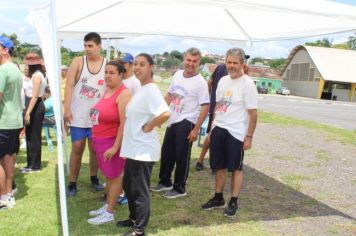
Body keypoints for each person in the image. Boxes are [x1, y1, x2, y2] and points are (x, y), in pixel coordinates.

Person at [116, 53, 170, 236]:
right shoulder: (142, 88)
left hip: (143, 150)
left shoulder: (152, 90)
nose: (138, 67)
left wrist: (149, 126)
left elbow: (164, 113)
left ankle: (139, 230)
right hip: (133, 149)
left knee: (139, 190)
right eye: (136, 64)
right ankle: (133, 218)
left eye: (142, 64)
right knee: (129, 186)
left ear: (151, 67)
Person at [201, 48, 258, 219]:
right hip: (220, 129)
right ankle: (218, 197)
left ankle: (233, 201)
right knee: (219, 165)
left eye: (235, 62)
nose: (231, 66)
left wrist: (249, 137)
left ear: (242, 64)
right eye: (229, 62)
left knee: (236, 168)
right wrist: (212, 129)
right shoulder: (223, 81)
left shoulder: (248, 84)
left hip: (236, 133)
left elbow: (253, 114)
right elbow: (218, 107)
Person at [151, 47, 210, 198]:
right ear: (184, 59)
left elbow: (205, 107)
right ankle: (165, 182)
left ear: (199, 62)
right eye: (188, 60)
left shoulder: (200, 82)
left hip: (187, 121)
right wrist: (159, 115)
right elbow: (170, 95)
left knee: (181, 156)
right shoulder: (177, 74)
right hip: (173, 119)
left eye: (194, 61)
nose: (191, 64)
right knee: (167, 153)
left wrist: (196, 129)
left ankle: (179, 188)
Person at [87, 60, 131, 225]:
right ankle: (107, 205)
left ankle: (110, 212)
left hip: (112, 141)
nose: (107, 76)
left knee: (115, 176)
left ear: (121, 75)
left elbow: (123, 123)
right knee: (108, 175)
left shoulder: (124, 94)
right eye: (106, 72)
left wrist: (115, 147)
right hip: (100, 140)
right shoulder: (106, 90)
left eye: (112, 73)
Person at [64, 32, 106, 196]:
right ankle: (72, 182)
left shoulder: (106, 64)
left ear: (99, 46)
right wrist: (67, 109)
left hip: (96, 117)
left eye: (90, 46)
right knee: (77, 147)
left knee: (95, 148)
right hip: (78, 114)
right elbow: (68, 86)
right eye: (85, 45)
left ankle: (94, 178)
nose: (87, 49)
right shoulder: (78, 62)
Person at [0, 36, 23, 209]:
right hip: (14, 121)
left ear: (5, 50)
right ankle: (8, 194)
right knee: (8, 159)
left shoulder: (3, 70)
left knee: (4, 161)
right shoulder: (15, 69)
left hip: (4, 121)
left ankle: (3, 196)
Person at [195, 63, 227, 171]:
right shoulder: (232, 70)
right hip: (224, 108)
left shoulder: (220, 66)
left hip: (215, 106)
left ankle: (200, 160)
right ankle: (215, 165)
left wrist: (209, 99)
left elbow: (209, 82)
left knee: (211, 134)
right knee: (217, 136)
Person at [20, 52, 47, 174]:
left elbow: (35, 96)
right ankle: (30, 164)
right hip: (33, 105)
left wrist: (27, 113)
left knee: (34, 137)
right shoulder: (38, 74)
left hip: (35, 106)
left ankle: (35, 165)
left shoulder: (37, 76)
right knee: (29, 136)